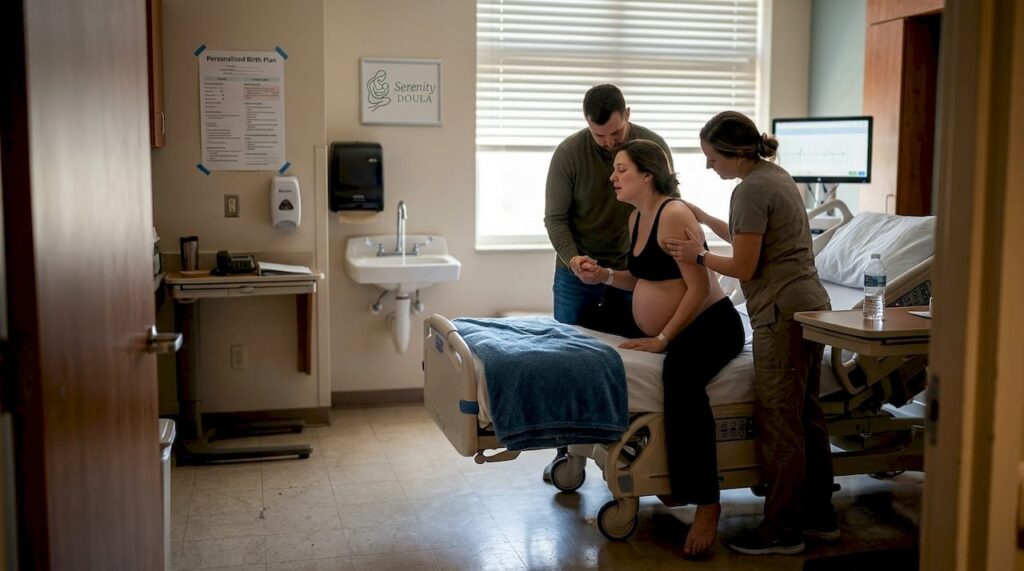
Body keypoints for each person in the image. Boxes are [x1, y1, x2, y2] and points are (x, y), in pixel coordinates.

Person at [666, 111, 837, 556]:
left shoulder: (749, 190)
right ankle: (819, 517)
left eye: (711, 157)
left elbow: (743, 266)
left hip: (780, 313)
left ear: (735, 152)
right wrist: (703, 218)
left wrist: (698, 255)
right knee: (806, 415)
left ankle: (782, 531)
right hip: (811, 305)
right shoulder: (775, 178)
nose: (709, 166)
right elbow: (750, 239)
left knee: (780, 421)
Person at [578, 139, 744, 558]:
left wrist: (663, 339)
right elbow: (643, 279)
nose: (612, 177)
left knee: (681, 377)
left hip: (713, 325)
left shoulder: (673, 214)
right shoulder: (638, 218)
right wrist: (606, 277)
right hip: (681, 324)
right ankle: (675, 480)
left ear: (647, 174)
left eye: (621, 169)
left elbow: (699, 286)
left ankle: (707, 503)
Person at [542, 84, 673, 481]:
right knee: (571, 363)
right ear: (587, 125)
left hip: (632, 274)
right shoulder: (569, 154)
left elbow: (669, 205)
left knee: (627, 362)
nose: (609, 143)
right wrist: (574, 259)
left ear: (627, 113)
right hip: (577, 272)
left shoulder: (651, 147)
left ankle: (626, 447)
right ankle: (568, 455)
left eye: (616, 133)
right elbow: (555, 219)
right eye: (600, 136)